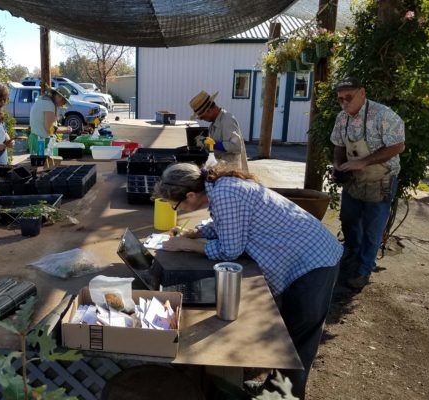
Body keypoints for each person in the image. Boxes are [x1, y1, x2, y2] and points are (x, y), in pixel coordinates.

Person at [154, 162, 342, 399]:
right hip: (306, 256)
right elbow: (228, 223)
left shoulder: (225, 192)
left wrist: (186, 245)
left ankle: (285, 396)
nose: (178, 210)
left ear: (190, 195)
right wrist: (197, 232)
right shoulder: (219, 187)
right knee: (288, 334)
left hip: (313, 261)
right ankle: (273, 390)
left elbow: (229, 249)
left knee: (296, 341)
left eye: (177, 205)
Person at [330, 77, 405, 290]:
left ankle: (363, 270)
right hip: (355, 180)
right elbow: (338, 146)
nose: (344, 103)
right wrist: (338, 165)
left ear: (362, 93)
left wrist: (363, 161)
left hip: (381, 180)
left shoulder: (384, 115)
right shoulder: (342, 118)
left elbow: (398, 146)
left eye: (349, 98)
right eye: (340, 99)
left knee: (373, 229)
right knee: (349, 220)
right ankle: (353, 257)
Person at [189, 90, 249, 172]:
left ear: (209, 111)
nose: (203, 119)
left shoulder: (227, 119)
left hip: (232, 172)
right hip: (220, 169)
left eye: (202, 117)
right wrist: (206, 146)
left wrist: (214, 145)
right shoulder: (213, 125)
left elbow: (236, 146)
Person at [28, 86, 73, 155]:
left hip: (37, 138)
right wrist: (66, 129)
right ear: (59, 96)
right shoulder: (49, 104)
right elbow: (49, 129)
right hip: (41, 141)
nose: (64, 104)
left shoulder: (43, 101)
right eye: (64, 100)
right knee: (42, 164)